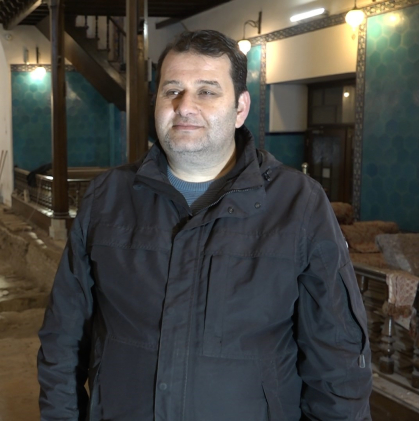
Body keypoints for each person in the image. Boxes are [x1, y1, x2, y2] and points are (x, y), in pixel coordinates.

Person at [37, 30, 372, 420]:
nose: (185, 106)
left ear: (240, 108)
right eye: (172, 90)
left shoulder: (298, 205)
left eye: (207, 92)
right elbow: (63, 337)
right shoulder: (107, 198)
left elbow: (338, 357)